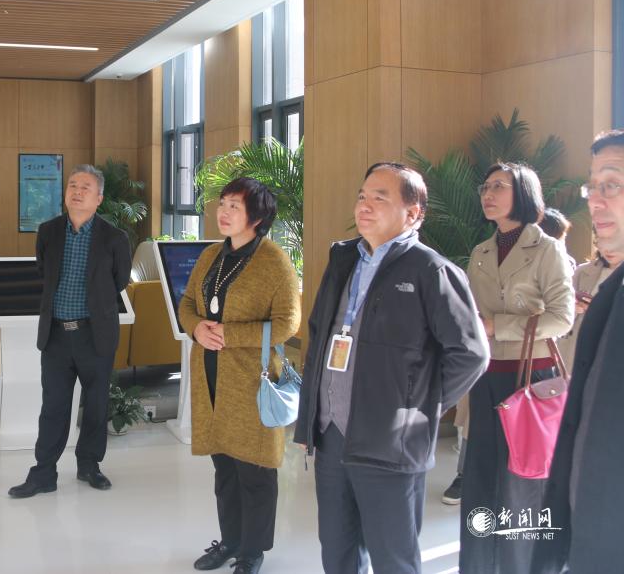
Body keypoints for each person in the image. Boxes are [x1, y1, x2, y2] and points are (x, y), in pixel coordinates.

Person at [295, 162, 488, 574]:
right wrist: (307, 423)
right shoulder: (343, 260)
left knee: (393, 559)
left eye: (380, 198)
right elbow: (318, 338)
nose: (364, 205)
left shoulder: (431, 270)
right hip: (331, 436)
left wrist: (417, 406)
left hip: (390, 443)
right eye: (362, 196)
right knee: (337, 551)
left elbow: (470, 353)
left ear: (413, 213)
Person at [177, 178, 301, 574]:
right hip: (211, 375)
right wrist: (196, 328)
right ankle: (230, 541)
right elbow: (188, 302)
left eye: (235, 205)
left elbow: (287, 323)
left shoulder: (274, 261)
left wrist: (231, 335)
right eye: (223, 203)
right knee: (225, 467)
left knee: (255, 469)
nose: (224, 212)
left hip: (252, 378)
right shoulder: (211, 254)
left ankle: (252, 551)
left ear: (258, 217)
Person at [458, 162, 574, 574]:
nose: (488, 194)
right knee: (480, 479)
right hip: (486, 376)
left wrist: (498, 326)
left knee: (522, 485)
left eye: (499, 186)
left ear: (523, 193)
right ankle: (477, 566)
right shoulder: (481, 252)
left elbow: (562, 318)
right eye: (485, 186)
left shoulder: (547, 248)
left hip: (532, 380)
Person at [8, 164, 131, 498]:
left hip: (95, 334)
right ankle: (43, 473)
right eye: (73, 185)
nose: (77, 191)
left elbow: (119, 280)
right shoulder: (48, 232)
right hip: (57, 335)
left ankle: (89, 465)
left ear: (99, 198)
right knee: (54, 406)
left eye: (85, 187)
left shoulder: (114, 238)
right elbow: (43, 271)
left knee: (96, 405)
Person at [532, 130, 624, 574]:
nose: (596, 200)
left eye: (613, 184)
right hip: (590, 525)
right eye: (593, 186)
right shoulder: (612, 288)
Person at [558, 243, 621, 373]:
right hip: (578, 346)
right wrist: (573, 307)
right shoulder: (582, 271)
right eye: (603, 241)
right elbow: (561, 307)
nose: (609, 248)